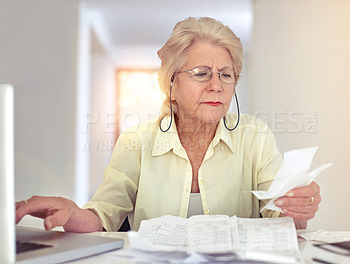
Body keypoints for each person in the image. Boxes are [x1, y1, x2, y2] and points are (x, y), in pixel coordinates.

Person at [15, 17, 321, 232]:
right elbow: (104, 215)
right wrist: (73, 213)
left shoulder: (255, 137)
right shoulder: (136, 140)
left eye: (226, 75)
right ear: (171, 84)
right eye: (201, 73)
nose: (217, 85)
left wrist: (297, 210)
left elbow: (278, 214)